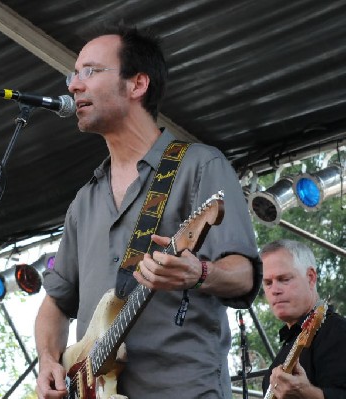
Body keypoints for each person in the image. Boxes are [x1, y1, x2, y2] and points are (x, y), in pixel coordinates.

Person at [34, 23, 261, 398]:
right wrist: (48, 361)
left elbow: (244, 276)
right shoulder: (84, 202)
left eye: (90, 71)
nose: (74, 85)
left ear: (137, 85)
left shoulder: (199, 166)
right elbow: (55, 303)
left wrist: (199, 271)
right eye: (74, 74)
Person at [260, 239, 346, 398]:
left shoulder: (337, 331)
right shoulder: (289, 344)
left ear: (311, 277)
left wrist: (308, 394)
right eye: (268, 283)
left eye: (284, 279)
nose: (274, 290)